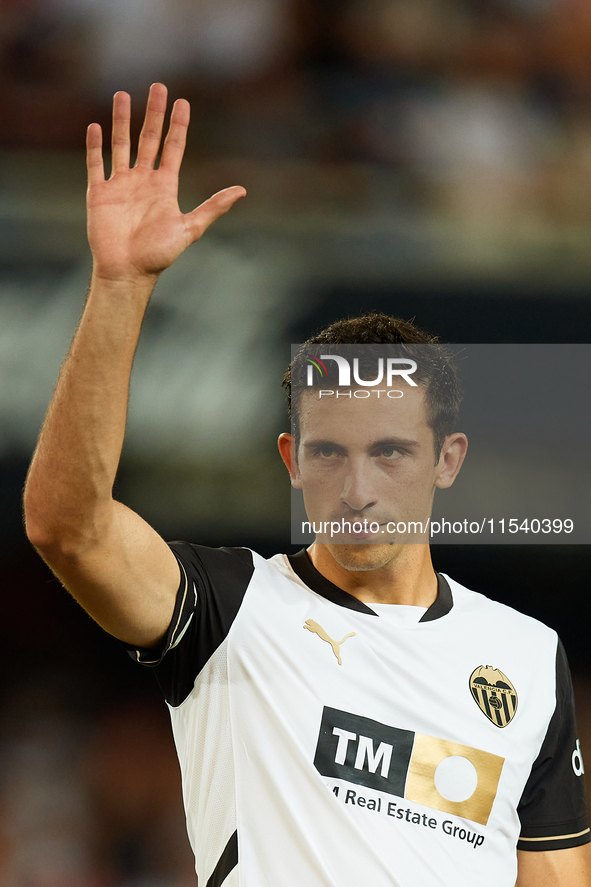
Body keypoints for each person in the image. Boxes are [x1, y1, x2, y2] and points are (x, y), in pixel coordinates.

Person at [23, 83, 591, 887]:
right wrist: (120, 286)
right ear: (291, 461)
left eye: (390, 452)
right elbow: (66, 526)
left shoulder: (527, 659)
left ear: (447, 461)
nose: (356, 485)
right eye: (329, 453)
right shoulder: (228, 611)